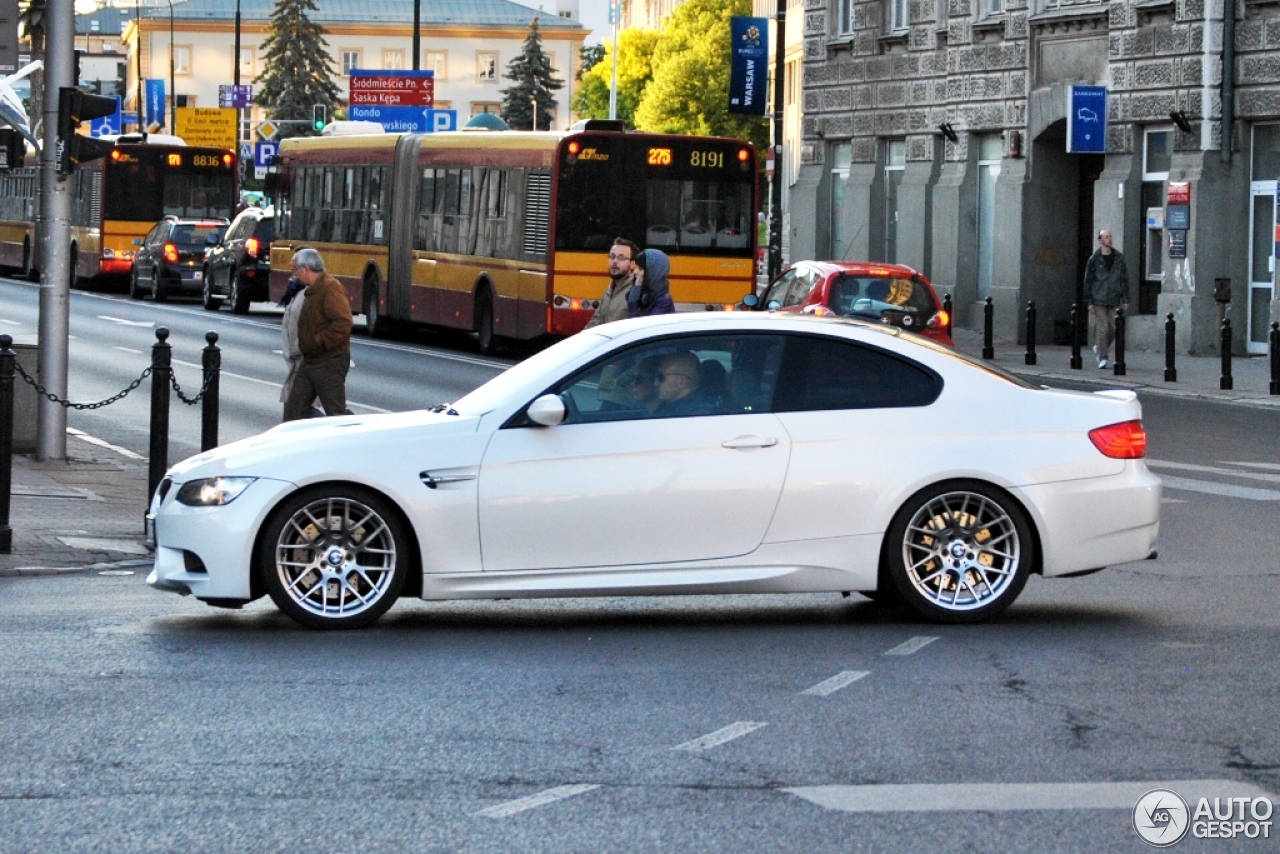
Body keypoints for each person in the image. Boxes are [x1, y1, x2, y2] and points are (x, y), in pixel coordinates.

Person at [283, 248, 354, 420]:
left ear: (306, 269)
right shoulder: (312, 289)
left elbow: (343, 322)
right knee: (293, 412)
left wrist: (318, 341)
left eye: (295, 270)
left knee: (336, 414)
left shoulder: (330, 288)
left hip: (329, 361)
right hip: (310, 361)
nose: (294, 274)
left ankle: (359, 437)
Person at [1083, 228, 1130, 369]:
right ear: (1100, 240)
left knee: (1115, 327)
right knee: (1103, 328)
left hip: (1114, 297)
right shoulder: (1094, 259)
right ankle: (1103, 357)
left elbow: (1124, 279)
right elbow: (1088, 280)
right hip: (1099, 298)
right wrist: (1089, 301)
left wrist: (1126, 299)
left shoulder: (1119, 258)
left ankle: (1099, 347)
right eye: (1106, 237)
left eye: (1110, 236)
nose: (1109, 239)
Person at [584, 238, 640, 329]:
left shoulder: (636, 291)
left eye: (621, 258)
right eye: (612, 256)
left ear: (632, 264)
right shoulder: (610, 289)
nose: (615, 261)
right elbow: (596, 320)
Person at [651, 352, 712, 417]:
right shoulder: (670, 407)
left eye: (660, 377)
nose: (655, 383)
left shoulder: (697, 413)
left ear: (681, 382)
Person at [627, 248, 676, 318]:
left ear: (653, 273)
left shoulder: (664, 301)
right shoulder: (644, 293)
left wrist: (636, 291)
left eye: (640, 269)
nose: (635, 271)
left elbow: (639, 325)